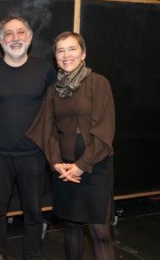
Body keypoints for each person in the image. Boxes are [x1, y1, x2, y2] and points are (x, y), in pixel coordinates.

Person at [27, 31, 115, 260]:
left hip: (95, 164)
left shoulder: (99, 83)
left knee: (100, 232)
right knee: (72, 229)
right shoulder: (53, 90)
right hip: (65, 166)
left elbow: (105, 131)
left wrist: (81, 165)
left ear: (83, 53)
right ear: (55, 56)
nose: (66, 55)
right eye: (60, 50)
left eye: (72, 48)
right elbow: (47, 130)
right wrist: (57, 163)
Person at [0, 14, 56, 260]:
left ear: (30, 37)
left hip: (33, 154)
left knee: (34, 211)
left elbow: (54, 109)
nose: (15, 38)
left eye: (21, 32)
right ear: (1, 40)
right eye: (9, 34)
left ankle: (32, 255)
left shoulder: (45, 70)